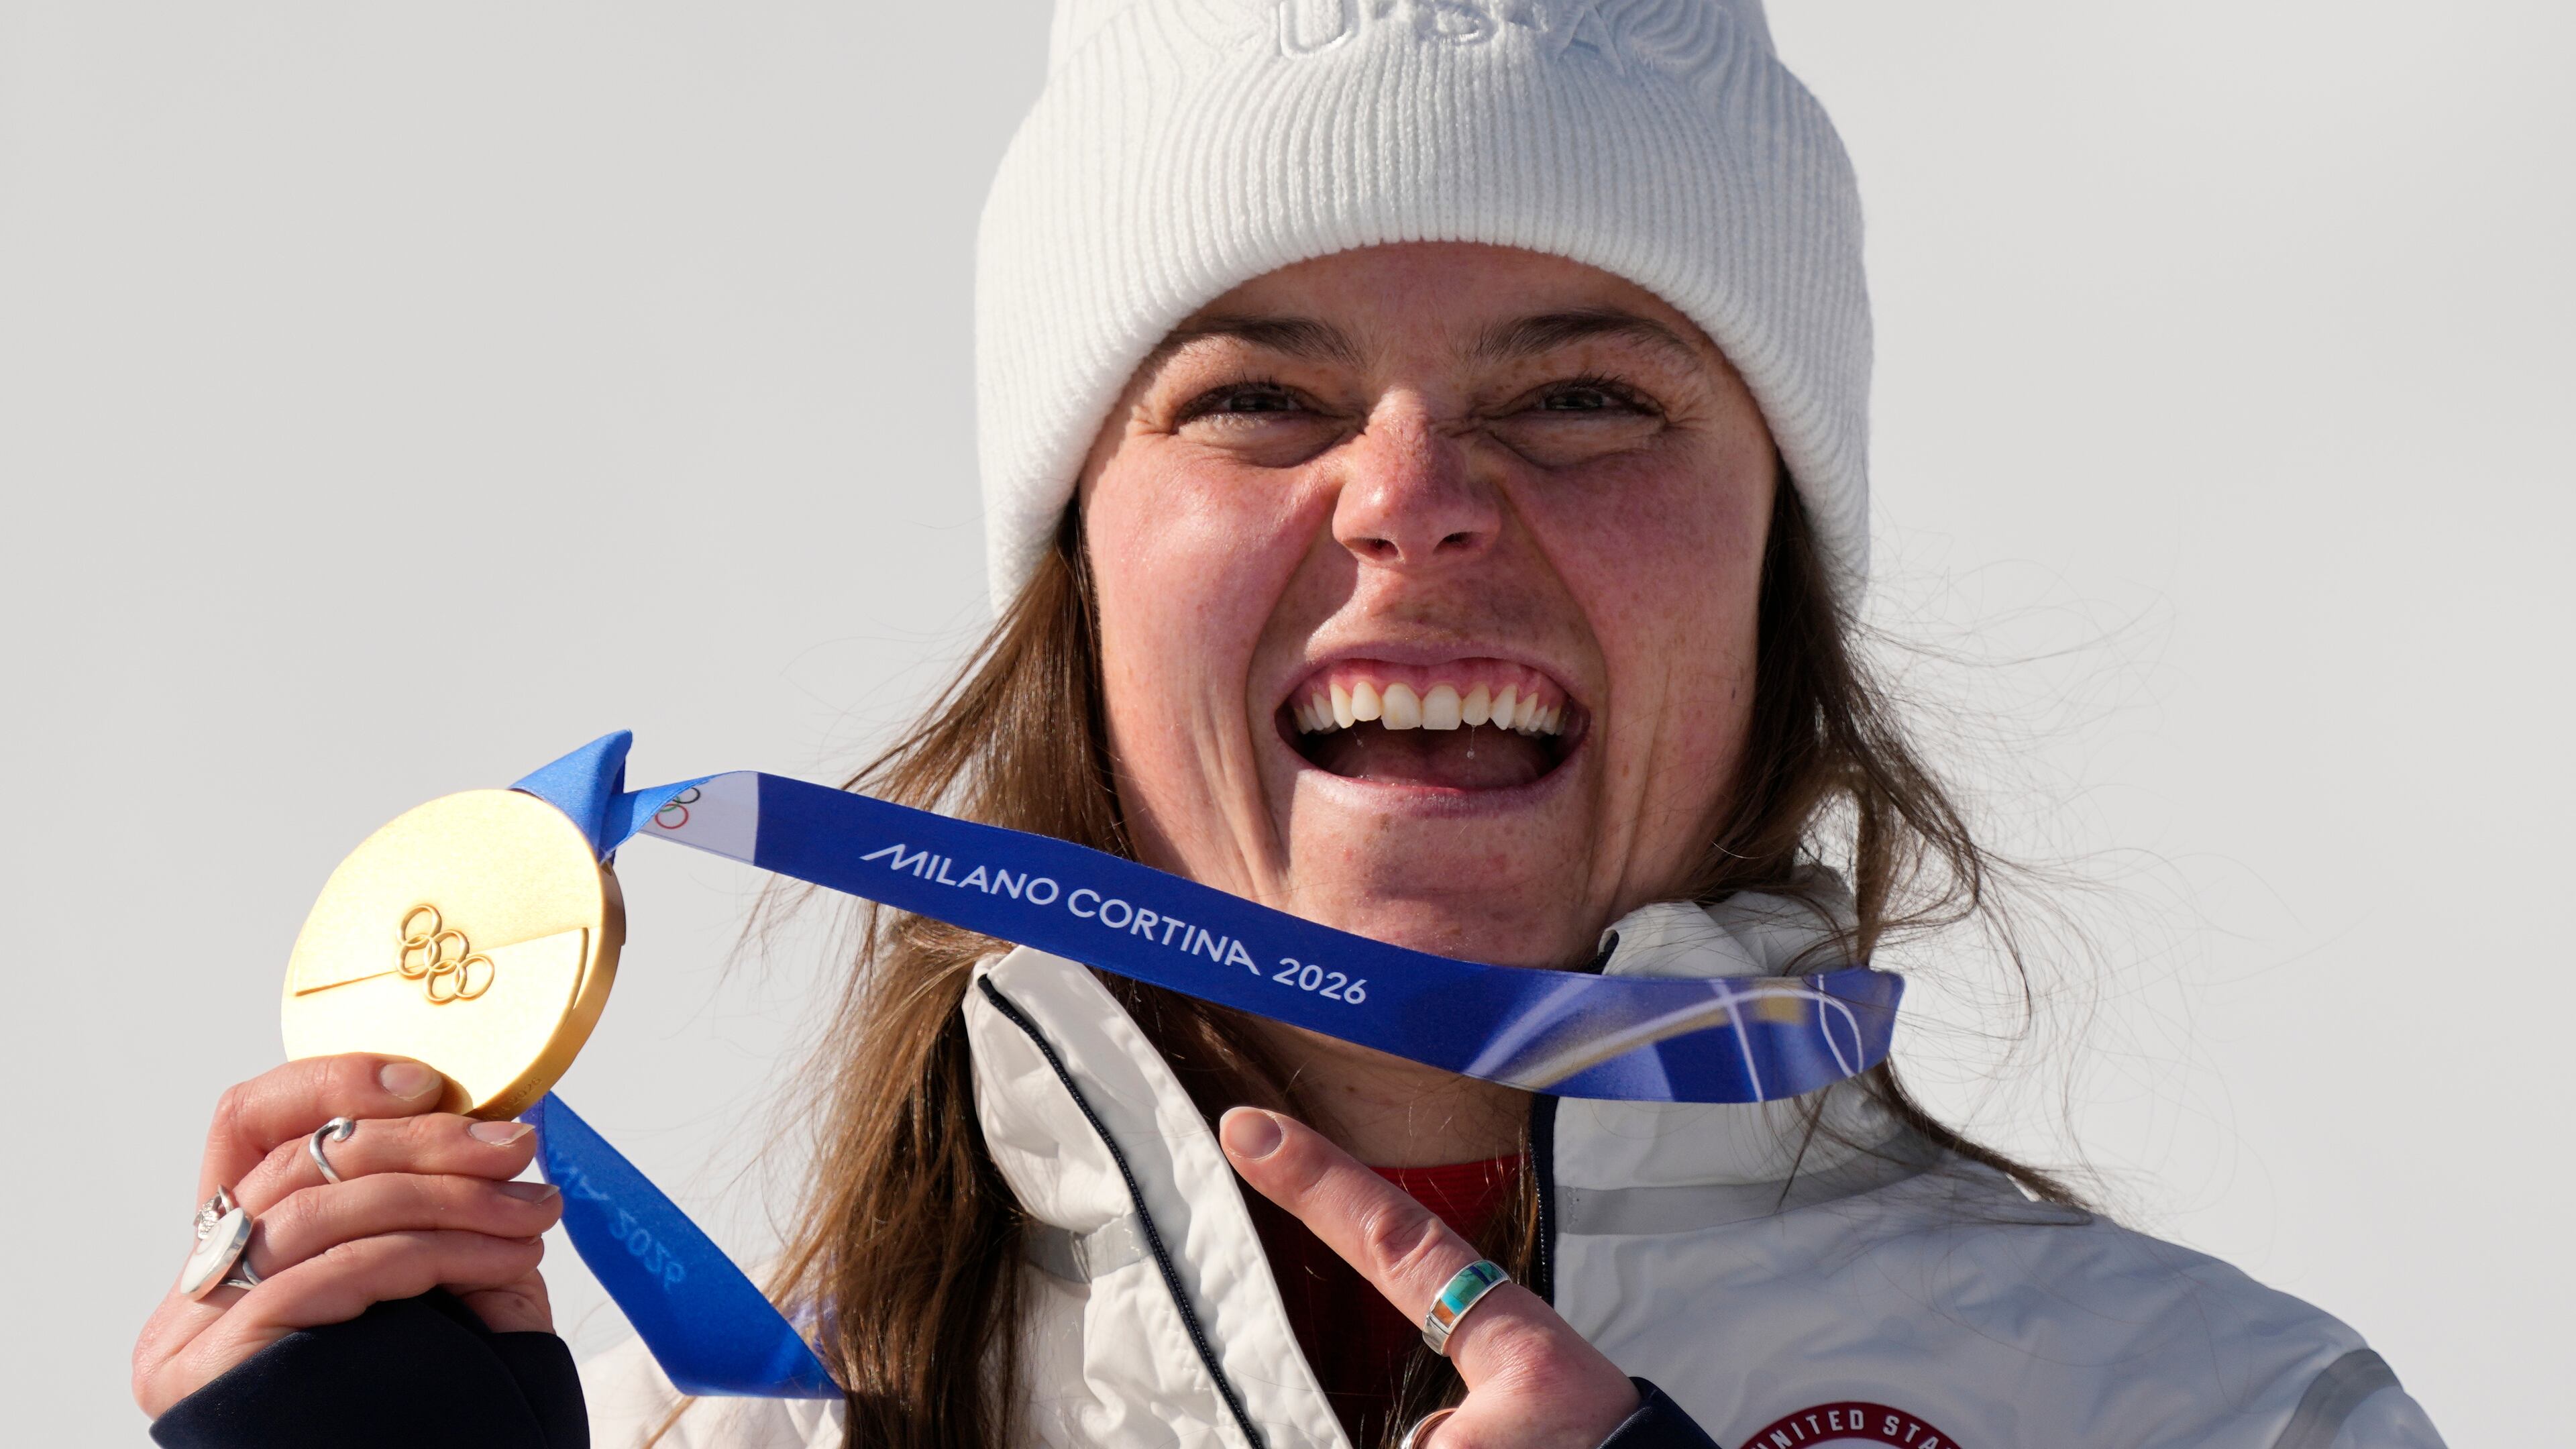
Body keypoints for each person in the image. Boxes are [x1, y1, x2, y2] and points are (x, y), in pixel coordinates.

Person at [131, 3, 2448, 1446]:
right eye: (1259, 400)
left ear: (1781, 566)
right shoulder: (721, 1432)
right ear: (1079, 574)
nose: (1418, 505)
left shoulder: (2220, 1419)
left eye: (1585, 394)